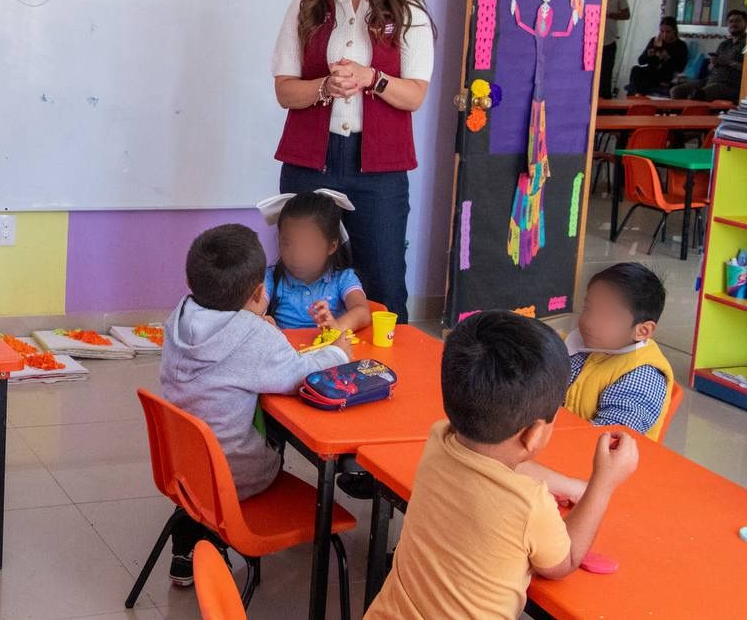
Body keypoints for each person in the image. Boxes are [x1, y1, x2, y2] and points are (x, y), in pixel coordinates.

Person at [365, 311, 638, 619]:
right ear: (535, 434)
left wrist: (574, 488)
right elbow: (566, 561)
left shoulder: (441, 438)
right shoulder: (529, 505)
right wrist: (602, 484)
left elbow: (494, 464)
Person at [159, 223, 351, 585]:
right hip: (236, 477)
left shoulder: (178, 317)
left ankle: (188, 544)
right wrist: (339, 351)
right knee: (278, 422)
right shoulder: (254, 336)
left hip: (182, 468)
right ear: (260, 292)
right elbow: (301, 375)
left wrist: (256, 323)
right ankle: (215, 536)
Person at [272, 0, 436, 320]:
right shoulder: (305, 8)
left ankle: (384, 360)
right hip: (311, 160)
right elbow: (285, 92)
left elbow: (414, 95)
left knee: (383, 283)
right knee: (300, 273)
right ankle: (304, 358)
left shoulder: (408, 11)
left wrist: (371, 78)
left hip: (378, 168)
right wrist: (324, 87)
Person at [563, 264, 674, 441]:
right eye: (588, 308)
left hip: (592, 453)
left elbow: (610, 439)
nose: (589, 321)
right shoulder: (584, 343)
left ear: (642, 331)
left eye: (607, 316)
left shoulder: (641, 376)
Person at [260, 189, 372, 332]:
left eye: (308, 245)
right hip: (283, 346)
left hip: (331, 346)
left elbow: (362, 312)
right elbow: (252, 311)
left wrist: (336, 327)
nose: (297, 255)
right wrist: (262, 322)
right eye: (287, 244)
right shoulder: (271, 277)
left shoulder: (344, 279)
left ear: (331, 246)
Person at [671, 8, 746, 101]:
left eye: (738, 21)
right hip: (710, 80)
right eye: (731, 21)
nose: (734, 24)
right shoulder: (724, 44)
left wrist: (729, 62)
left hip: (731, 86)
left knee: (698, 94)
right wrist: (713, 63)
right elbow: (710, 68)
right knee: (676, 91)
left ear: (745, 24)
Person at [627, 17, 688, 96]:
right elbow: (641, 61)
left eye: (668, 32)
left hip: (666, 74)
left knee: (642, 82)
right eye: (662, 31)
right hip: (651, 71)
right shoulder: (655, 41)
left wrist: (667, 58)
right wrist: (648, 54)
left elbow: (680, 68)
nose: (664, 35)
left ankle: (636, 94)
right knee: (635, 70)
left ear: (674, 30)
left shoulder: (680, 45)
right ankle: (635, 95)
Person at [599, 0, 630, 99]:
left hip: (608, 40)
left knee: (605, 76)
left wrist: (609, 14)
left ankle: (605, 105)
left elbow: (626, 14)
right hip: (590, 40)